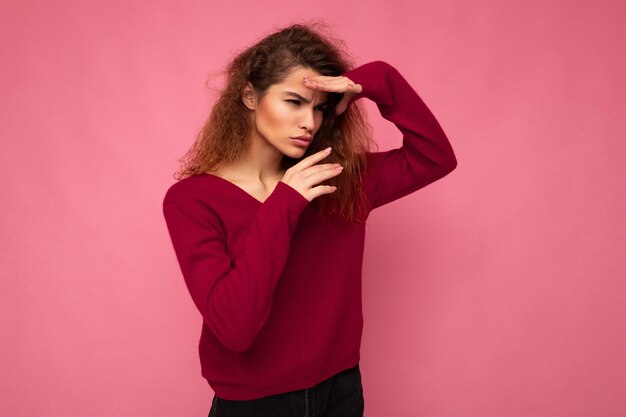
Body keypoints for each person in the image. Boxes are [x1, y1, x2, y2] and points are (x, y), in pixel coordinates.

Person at [162, 21, 457, 417]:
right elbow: (234, 328)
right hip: (254, 405)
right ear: (250, 96)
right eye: (294, 102)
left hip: (341, 391)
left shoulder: (340, 178)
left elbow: (434, 157)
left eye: (319, 107)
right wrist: (286, 201)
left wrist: (373, 81)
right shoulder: (192, 200)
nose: (310, 123)